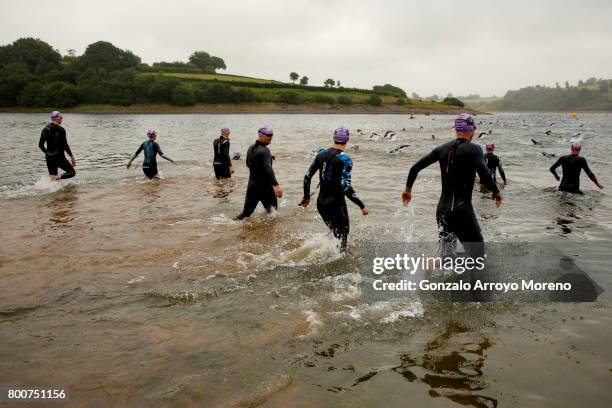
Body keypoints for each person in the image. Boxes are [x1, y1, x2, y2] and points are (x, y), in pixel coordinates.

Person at [401, 113, 502, 258]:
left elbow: (414, 168)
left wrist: (408, 191)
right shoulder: (474, 149)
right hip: (462, 210)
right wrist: (496, 192)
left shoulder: (441, 149)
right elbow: (485, 175)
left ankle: (432, 265)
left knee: (447, 256)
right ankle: (467, 278)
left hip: (442, 210)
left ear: (456, 129)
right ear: (472, 129)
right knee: (478, 256)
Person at [300, 126, 368, 250]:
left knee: (337, 233)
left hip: (321, 204)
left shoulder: (321, 154)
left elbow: (307, 176)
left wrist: (306, 197)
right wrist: (362, 205)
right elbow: (346, 187)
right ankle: (339, 263)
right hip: (336, 204)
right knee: (343, 237)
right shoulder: (345, 160)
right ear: (347, 139)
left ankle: (328, 253)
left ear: (334, 138)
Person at [234, 126, 283, 220]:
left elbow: (248, 164)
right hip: (264, 187)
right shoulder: (265, 151)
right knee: (273, 212)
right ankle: (269, 233)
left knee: (246, 213)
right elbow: (268, 168)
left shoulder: (251, 148)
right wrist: (276, 186)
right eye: (269, 139)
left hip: (252, 186)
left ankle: (230, 225)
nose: (270, 141)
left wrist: (269, 157)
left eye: (271, 139)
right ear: (261, 136)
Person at [38, 110, 76, 181]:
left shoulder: (45, 129)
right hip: (59, 157)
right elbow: (65, 145)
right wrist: (72, 157)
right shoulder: (61, 130)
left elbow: (40, 145)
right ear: (57, 118)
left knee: (52, 178)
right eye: (61, 117)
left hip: (49, 157)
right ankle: (59, 177)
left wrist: (48, 153)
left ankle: (50, 190)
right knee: (72, 172)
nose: (62, 118)